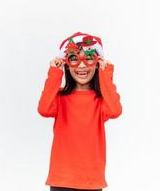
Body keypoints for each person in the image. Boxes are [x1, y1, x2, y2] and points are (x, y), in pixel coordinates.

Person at [37, 32, 123, 191]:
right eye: (74, 59)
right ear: (66, 63)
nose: (82, 65)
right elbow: (43, 109)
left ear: (98, 63)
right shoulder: (60, 98)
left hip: (92, 181)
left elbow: (115, 111)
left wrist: (106, 74)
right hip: (62, 180)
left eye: (89, 58)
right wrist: (55, 72)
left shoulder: (101, 101)